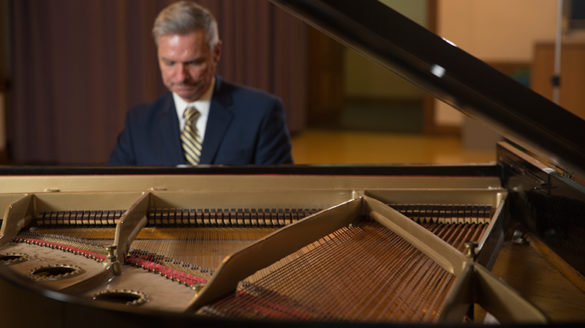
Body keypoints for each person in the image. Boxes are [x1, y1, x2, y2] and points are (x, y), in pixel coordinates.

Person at [108, 1, 293, 166]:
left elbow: (280, 196)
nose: (181, 77)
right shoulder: (138, 122)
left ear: (217, 52)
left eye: (193, 62)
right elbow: (114, 192)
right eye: (170, 63)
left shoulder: (261, 113)